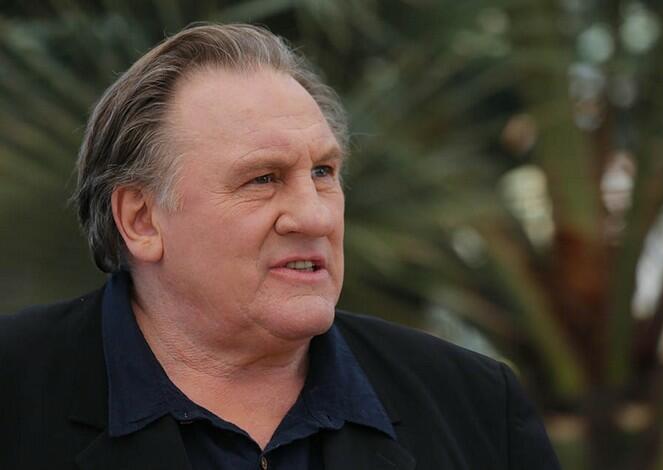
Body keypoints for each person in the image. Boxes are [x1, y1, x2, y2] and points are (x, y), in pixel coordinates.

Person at [0, 24, 560, 470]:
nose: (315, 215)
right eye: (263, 179)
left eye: (323, 172)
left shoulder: (475, 404)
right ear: (141, 220)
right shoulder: (17, 390)